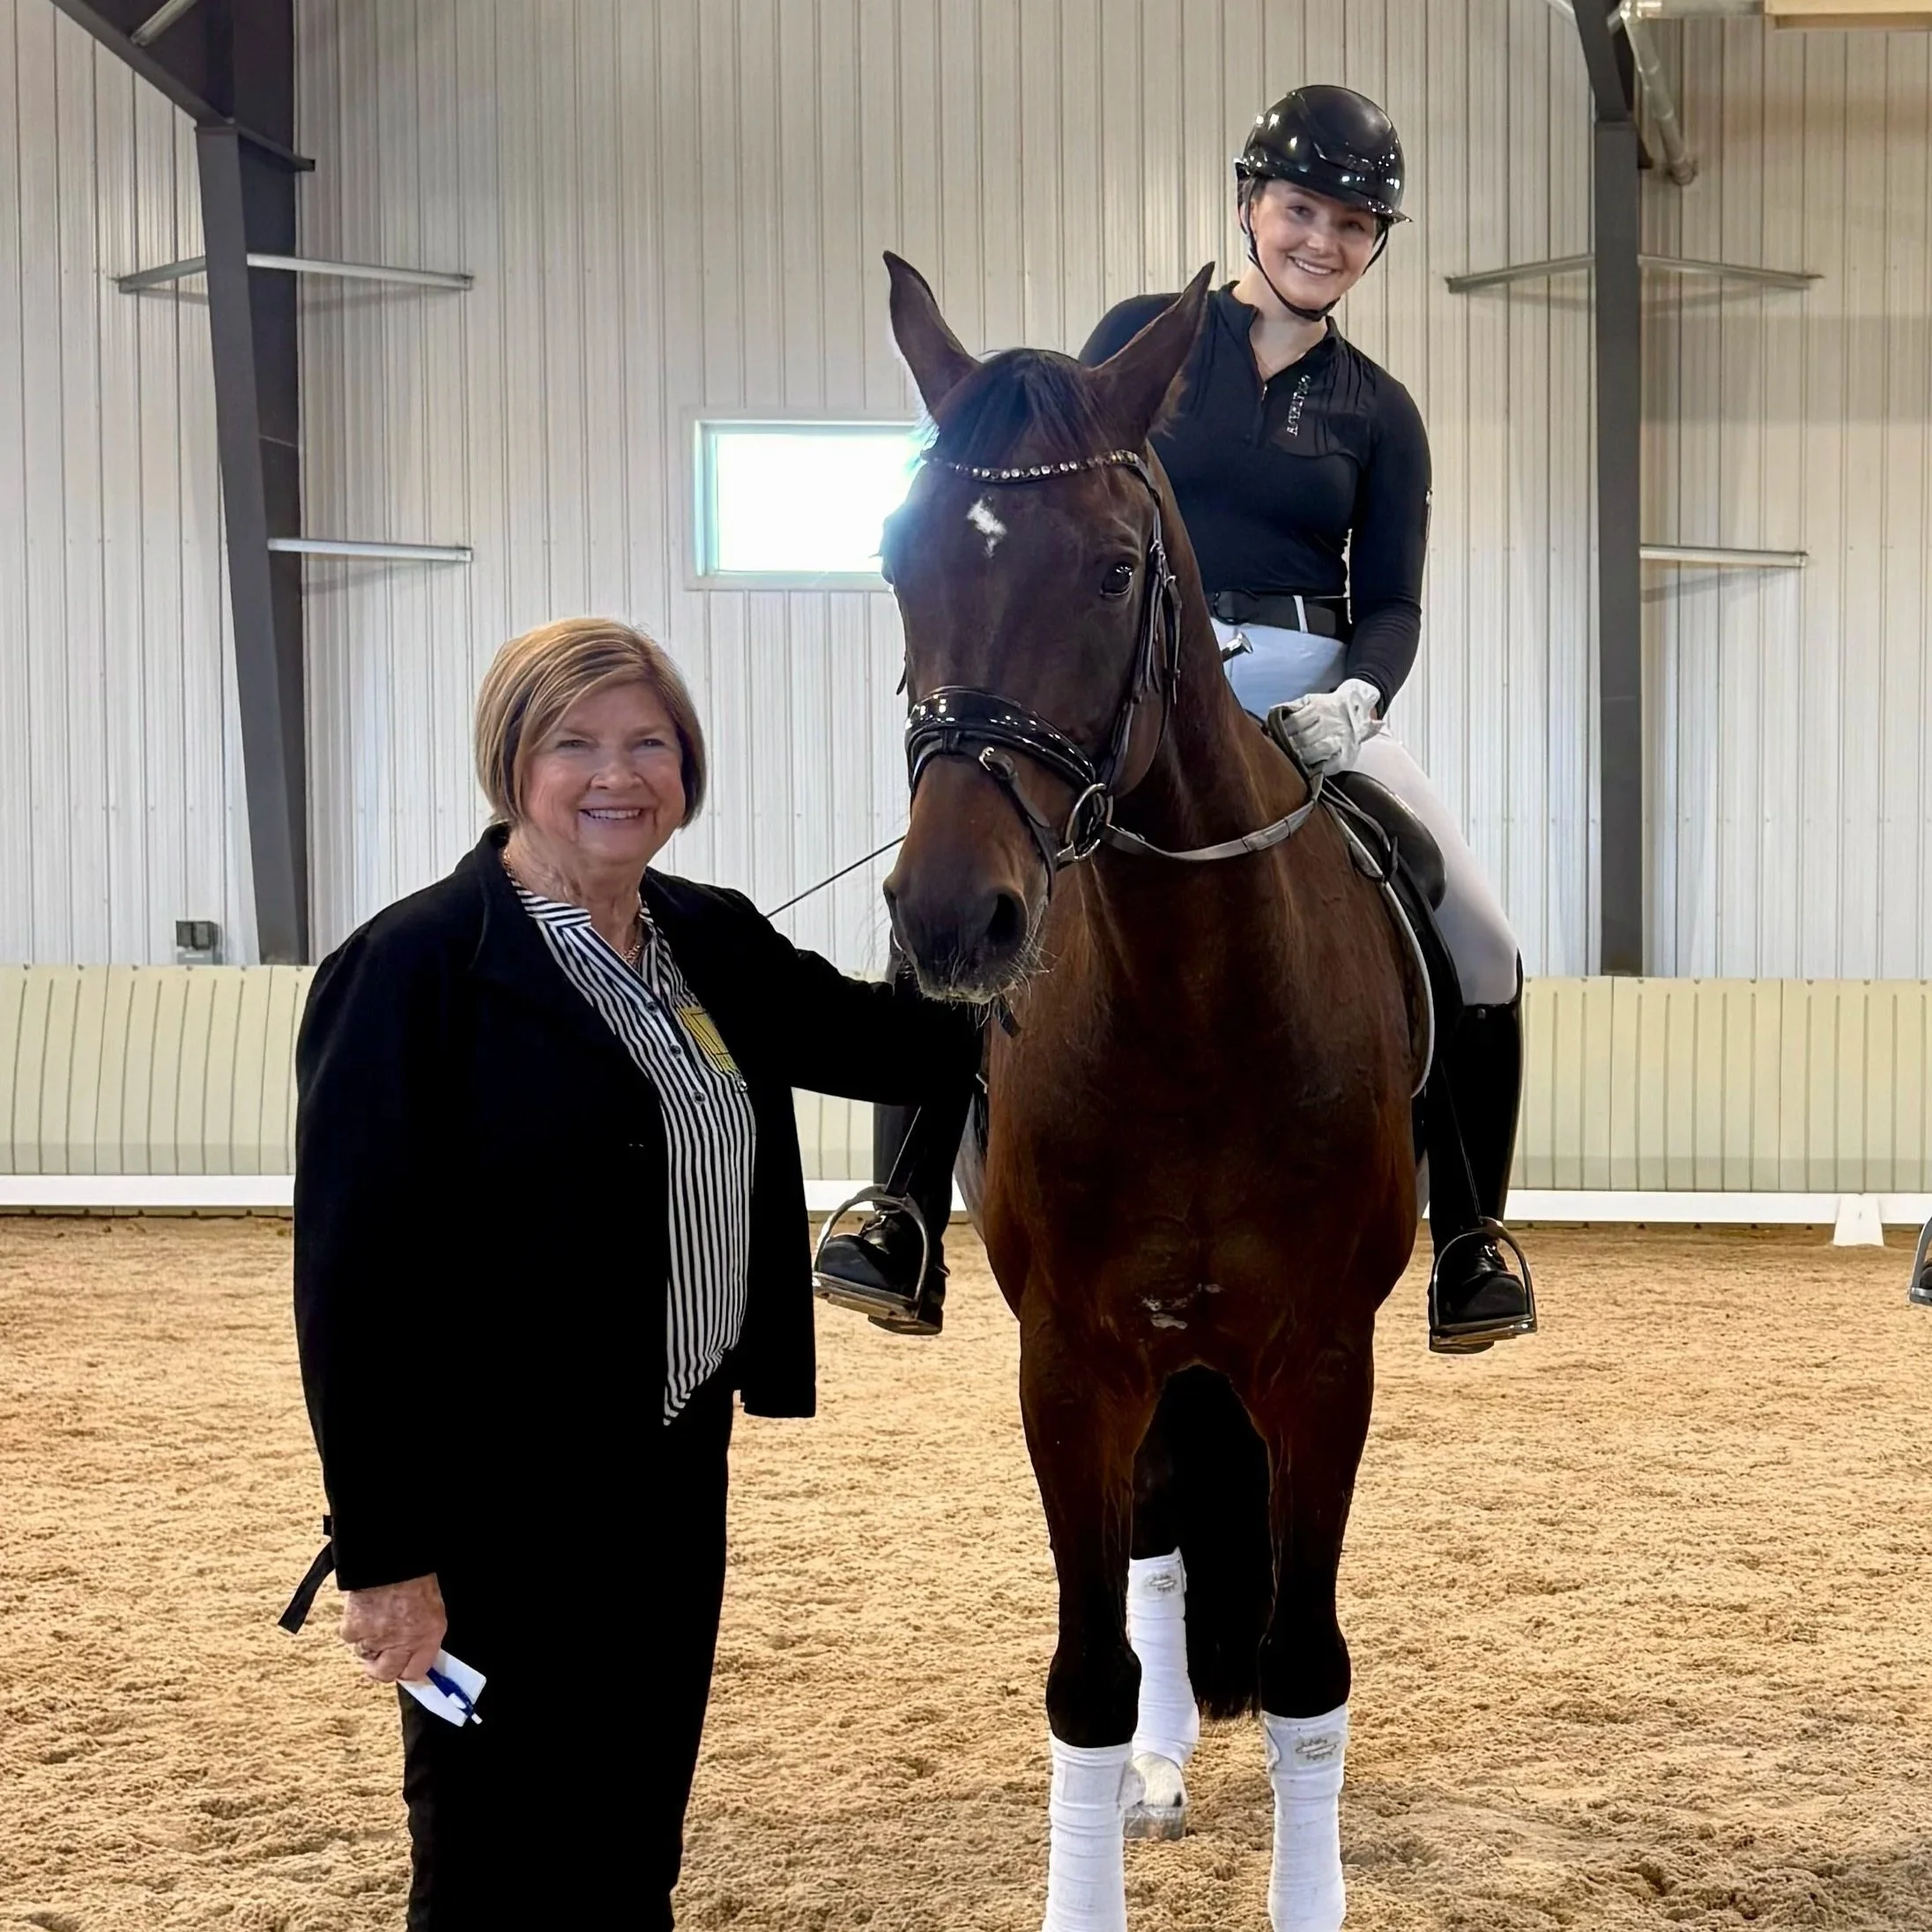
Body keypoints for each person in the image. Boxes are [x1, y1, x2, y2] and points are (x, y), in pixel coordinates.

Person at [285, 618, 979, 1929]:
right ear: (512, 763)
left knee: (631, 1840)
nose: (619, 775)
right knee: (492, 1861)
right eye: (577, 745)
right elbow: (350, 1289)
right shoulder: (415, 969)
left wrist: (1058, 902)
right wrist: (387, 1556)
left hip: (673, 1459)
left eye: (648, 743)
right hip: (497, 1496)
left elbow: (904, 1049)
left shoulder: (705, 935)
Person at [817, 85, 1533, 1356]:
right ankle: (905, 1205)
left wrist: (1351, 703)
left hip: (1311, 693)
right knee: (954, 877)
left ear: (1378, 243)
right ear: (1253, 204)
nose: (1324, 240)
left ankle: (1473, 1234)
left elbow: (1397, 602)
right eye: (1303, 208)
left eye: (1356, 224)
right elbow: (1060, 512)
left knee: (1477, 929)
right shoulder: (1144, 336)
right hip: (1131, 673)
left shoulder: (1381, 412)